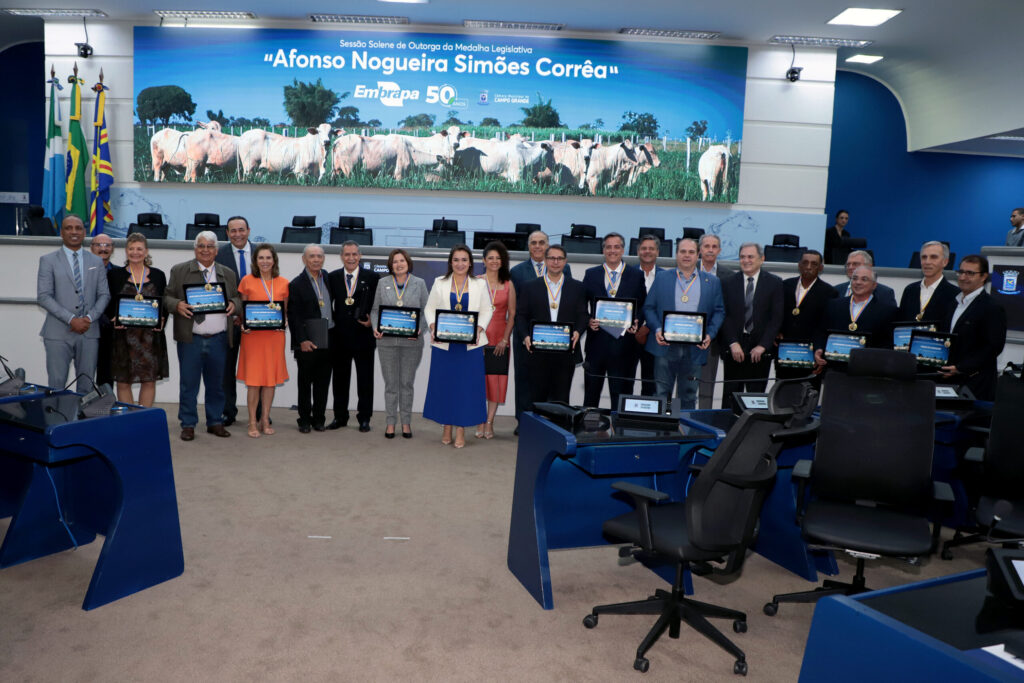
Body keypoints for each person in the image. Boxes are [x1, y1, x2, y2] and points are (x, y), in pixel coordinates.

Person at [164, 231, 241, 441]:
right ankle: (188, 424)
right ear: (195, 248)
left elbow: (237, 297)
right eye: (201, 246)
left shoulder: (228, 273)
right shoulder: (180, 270)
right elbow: (167, 297)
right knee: (189, 384)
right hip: (191, 338)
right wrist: (176, 304)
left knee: (217, 384)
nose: (205, 250)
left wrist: (235, 304)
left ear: (216, 250)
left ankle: (215, 421)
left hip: (219, 338)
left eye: (209, 246)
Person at [642, 237, 725, 408]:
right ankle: (664, 431)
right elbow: (648, 308)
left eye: (691, 252)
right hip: (665, 346)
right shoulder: (662, 277)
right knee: (662, 394)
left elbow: (719, 312)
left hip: (695, 349)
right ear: (676, 254)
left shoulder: (712, 282)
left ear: (698, 254)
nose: (687, 255)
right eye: (683, 251)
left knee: (688, 395)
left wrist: (710, 334)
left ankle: (685, 432)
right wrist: (657, 329)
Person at [423, 245, 492, 448]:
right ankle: (447, 427)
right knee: (445, 386)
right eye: (456, 260)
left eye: (464, 260)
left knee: (466, 389)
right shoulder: (439, 282)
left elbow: (487, 309)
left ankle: (461, 429)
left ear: (470, 262)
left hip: (470, 346)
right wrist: (433, 325)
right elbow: (430, 308)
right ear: (450, 262)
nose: (460, 264)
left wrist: (479, 328)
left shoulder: (480, 284)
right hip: (445, 345)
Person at [37, 215, 110, 393]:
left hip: (89, 331)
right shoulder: (48, 260)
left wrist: (88, 318)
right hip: (57, 333)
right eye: (69, 228)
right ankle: (57, 421)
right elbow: (44, 296)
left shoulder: (96, 261)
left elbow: (104, 295)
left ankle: (80, 421)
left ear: (84, 232)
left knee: (86, 387)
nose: (74, 232)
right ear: (61, 233)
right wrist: (71, 319)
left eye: (78, 228)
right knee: (57, 385)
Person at [508, 230, 572, 433]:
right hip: (526, 337)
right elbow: (517, 309)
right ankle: (524, 421)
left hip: (555, 339)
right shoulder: (517, 272)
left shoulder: (564, 268)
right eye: (533, 242)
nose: (537, 246)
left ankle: (551, 421)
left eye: (541, 242)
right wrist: (525, 334)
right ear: (528, 246)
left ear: (547, 245)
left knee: (553, 380)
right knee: (525, 381)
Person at [516, 245, 589, 404]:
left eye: (559, 258)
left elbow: (583, 315)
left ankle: (558, 429)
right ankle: (539, 429)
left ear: (565, 261)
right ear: (546, 260)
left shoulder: (577, 287)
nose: (555, 262)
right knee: (537, 399)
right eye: (551, 258)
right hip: (537, 353)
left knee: (561, 400)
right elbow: (521, 316)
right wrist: (525, 337)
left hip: (565, 353)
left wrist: (577, 331)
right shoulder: (530, 287)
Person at [582, 232, 645, 408]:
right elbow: (580, 305)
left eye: (616, 247)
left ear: (623, 250)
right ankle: (588, 433)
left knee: (621, 397)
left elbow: (644, 304)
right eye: (608, 247)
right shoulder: (591, 274)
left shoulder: (635, 275)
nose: (612, 250)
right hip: (597, 346)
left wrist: (637, 321)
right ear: (603, 250)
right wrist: (588, 320)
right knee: (591, 395)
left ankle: (619, 433)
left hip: (624, 347)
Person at [105, 232, 168, 407]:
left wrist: (162, 320)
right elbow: (108, 302)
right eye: (131, 249)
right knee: (124, 381)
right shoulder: (114, 275)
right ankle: (128, 421)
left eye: (139, 249)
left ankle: (143, 420)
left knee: (149, 381)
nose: (135, 252)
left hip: (149, 338)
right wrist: (113, 318)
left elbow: (164, 303)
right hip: (123, 337)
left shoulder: (158, 275)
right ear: (126, 251)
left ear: (146, 251)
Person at [371, 249, 428, 439]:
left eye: (401, 261)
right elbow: (375, 311)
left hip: (412, 342)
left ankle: (405, 422)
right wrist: (375, 328)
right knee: (391, 384)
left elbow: (426, 312)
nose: (398, 264)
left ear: (408, 263)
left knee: (406, 383)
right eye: (394, 261)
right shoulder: (382, 283)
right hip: (386, 342)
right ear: (390, 265)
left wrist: (419, 329)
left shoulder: (419, 283)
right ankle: (390, 422)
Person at [719, 243, 784, 408]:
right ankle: (728, 430)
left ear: (762, 259)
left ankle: (753, 432)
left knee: (756, 398)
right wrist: (733, 343)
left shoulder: (774, 283)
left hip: (759, 351)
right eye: (742, 257)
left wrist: (763, 346)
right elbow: (724, 315)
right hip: (734, 349)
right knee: (730, 396)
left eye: (750, 257)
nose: (746, 260)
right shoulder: (727, 282)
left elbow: (776, 319)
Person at [237, 243, 289, 438]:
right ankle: (252, 421)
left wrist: (283, 323)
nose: (265, 262)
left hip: (274, 337)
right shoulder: (246, 281)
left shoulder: (283, 283)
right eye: (261, 258)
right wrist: (243, 323)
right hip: (253, 338)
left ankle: (265, 419)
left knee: (269, 382)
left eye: (268, 258)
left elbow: (284, 313)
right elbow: (243, 312)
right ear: (255, 261)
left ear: (274, 260)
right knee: (254, 382)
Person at [327, 241, 380, 432]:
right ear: (341, 256)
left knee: (365, 381)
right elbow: (327, 306)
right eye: (347, 254)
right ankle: (340, 417)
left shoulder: (373, 277)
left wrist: (373, 322)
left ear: (360, 256)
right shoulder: (332, 277)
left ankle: (364, 418)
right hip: (339, 338)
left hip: (364, 337)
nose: (351, 258)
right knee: (340, 380)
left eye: (354, 254)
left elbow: (378, 306)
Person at [940, 255, 1007, 401]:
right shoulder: (953, 303)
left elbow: (993, 347)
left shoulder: (992, 307)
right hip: (950, 380)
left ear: (984, 276)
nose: (963, 277)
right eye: (961, 272)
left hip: (976, 385)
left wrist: (961, 368)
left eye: (970, 273)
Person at [287, 244, 333, 434]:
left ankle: (319, 419)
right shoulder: (296, 284)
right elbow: (294, 316)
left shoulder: (328, 278)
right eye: (312, 256)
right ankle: (304, 419)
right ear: (304, 259)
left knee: (323, 383)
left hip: (328, 338)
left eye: (319, 256)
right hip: (307, 341)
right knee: (305, 384)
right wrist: (302, 340)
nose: (316, 260)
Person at [815, 265, 898, 366]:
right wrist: (819, 348)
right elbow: (821, 332)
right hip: (835, 368)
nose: (858, 282)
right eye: (855, 278)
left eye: (864, 279)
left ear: (874, 285)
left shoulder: (887, 311)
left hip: (867, 370)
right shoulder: (834, 305)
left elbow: (887, 344)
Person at [215, 216, 253, 427]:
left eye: (241, 229)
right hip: (228, 320)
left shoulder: (262, 253)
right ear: (227, 233)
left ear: (248, 230)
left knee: (255, 368)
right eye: (233, 231)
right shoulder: (219, 254)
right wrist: (236, 311)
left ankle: (257, 412)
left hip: (256, 322)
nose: (237, 234)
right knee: (226, 368)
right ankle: (228, 411)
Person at [776, 249, 836, 381]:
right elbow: (775, 313)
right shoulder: (784, 285)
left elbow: (826, 326)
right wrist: (777, 331)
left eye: (814, 264)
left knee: (807, 396)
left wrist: (820, 351)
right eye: (805, 262)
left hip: (811, 353)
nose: (808, 267)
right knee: (781, 393)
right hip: (784, 351)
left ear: (820, 268)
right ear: (799, 265)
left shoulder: (829, 292)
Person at [477, 242, 517, 439]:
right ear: (484, 261)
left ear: (503, 262)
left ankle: (489, 422)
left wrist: (504, 339)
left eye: (498, 258)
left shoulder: (509, 285)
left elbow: (512, 314)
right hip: (478, 340)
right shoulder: (475, 281)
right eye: (490, 257)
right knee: (477, 383)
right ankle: (479, 421)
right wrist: (477, 339)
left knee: (495, 383)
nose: (494, 261)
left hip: (500, 341)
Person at [697, 233, 734, 408]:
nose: (710, 250)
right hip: (685, 337)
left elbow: (728, 310)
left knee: (706, 386)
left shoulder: (729, 276)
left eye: (714, 247)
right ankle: (673, 420)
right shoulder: (687, 269)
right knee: (679, 386)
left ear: (719, 250)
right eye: (706, 246)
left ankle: (702, 423)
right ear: (700, 249)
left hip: (712, 340)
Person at [898, 241, 959, 323]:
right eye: (924, 257)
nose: (927, 262)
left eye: (933, 257)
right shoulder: (910, 290)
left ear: (945, 262)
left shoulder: (954, 294)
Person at [635, 234, 663, 396]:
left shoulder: (666, 276)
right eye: (644, 248)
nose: (647, 251)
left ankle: (648, 419)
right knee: (625, 381)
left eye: (651, 248)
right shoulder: (628, 273)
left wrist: (647, 327)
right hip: (630, 336)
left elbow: (666, 306)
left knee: (650, 383)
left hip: (654, 336)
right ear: (638, 251)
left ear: (658, 252)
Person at [90, 233, 115, 388]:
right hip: (88, 327)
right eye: (99, 245)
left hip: (111, 331)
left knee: (106, 376)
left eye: (107, 245)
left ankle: (104, 409)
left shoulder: (120, 273)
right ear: (91, 248)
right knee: (85, 372)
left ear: (113, 249)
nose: (103, 249)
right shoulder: (82, 271)